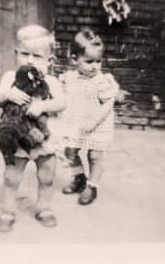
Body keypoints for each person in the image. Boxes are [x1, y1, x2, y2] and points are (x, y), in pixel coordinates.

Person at [0, 24, 66, 231]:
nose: (30, 60)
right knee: (11, 176)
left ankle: (43, 207)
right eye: (25, 54)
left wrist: (43, 105)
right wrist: (7, 94)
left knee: (47, 175)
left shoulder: (50, 81)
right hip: (17, 137)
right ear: (16, 54)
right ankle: (8, 210)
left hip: (44, 139)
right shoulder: (10, 78)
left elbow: (62, 102)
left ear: (49, 61)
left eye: (37, 56)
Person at [59, 28, 119, 205]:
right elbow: (62, 99)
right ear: (74, 59)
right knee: (69, 152)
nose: (95, 66)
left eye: (98, 61)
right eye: (89, 61)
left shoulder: (102, 80)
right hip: (75, 123)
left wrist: (94, 121)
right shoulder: (68, 78)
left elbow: (109, 103)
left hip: (97, 125)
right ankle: (79, 178)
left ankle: (92, 187)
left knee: (94, 157)